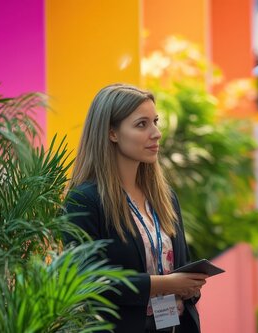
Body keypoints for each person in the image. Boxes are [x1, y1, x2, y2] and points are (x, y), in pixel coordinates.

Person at [64, 83, 207, 333]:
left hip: (172, 327)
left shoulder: (164, 197)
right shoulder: (84, 200)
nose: (156, 133)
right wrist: (166, 285)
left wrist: (188, 287)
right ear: (112, 133)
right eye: (142, 124)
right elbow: (88, 281)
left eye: (156, 121)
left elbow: (179, 268)